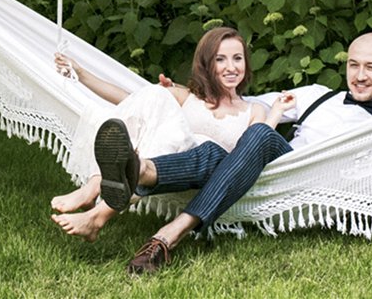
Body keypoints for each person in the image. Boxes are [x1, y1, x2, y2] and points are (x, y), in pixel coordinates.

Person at [93, 31, 372, 274]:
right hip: (275, 168)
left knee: (254, 135)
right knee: (219, 149)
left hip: (312, 181)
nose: (359, 76)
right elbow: (236, 106)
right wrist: (178, 95)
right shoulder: (318, 93)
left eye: (371, 68)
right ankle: (140, 172)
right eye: (354, 65)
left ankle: (168, 229)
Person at [50, 26, 295, 241]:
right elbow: (130, 101)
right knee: (155, 94)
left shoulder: (253, 110)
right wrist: (80, 74)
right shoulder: (187, 96)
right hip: (165, 165)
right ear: (207, 64)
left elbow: (254, 149)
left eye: (238, 59)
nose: (231, 67)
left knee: (201, 142)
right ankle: (96, 185)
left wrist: (276, 111)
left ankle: (97, 211)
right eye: (221, 59)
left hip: (206, 170)